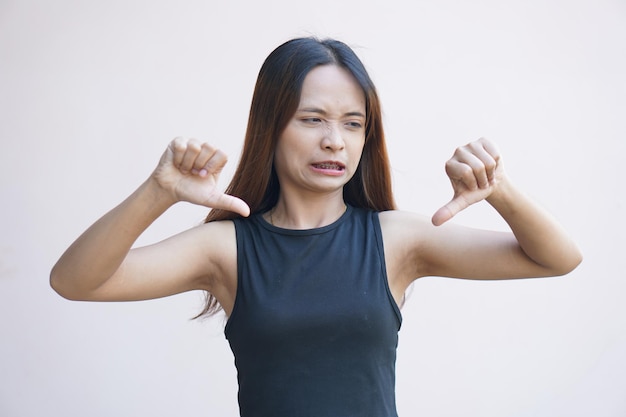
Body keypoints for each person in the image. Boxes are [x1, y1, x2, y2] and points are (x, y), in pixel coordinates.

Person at [50, 37, 582, 417]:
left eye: (353, 124)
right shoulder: (226, 248)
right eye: (313, 119)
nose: (336, 141)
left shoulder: (397, 239)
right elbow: (75, 281)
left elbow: (557, 259)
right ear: (271, 126)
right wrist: (157, 192)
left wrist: (501, 191)